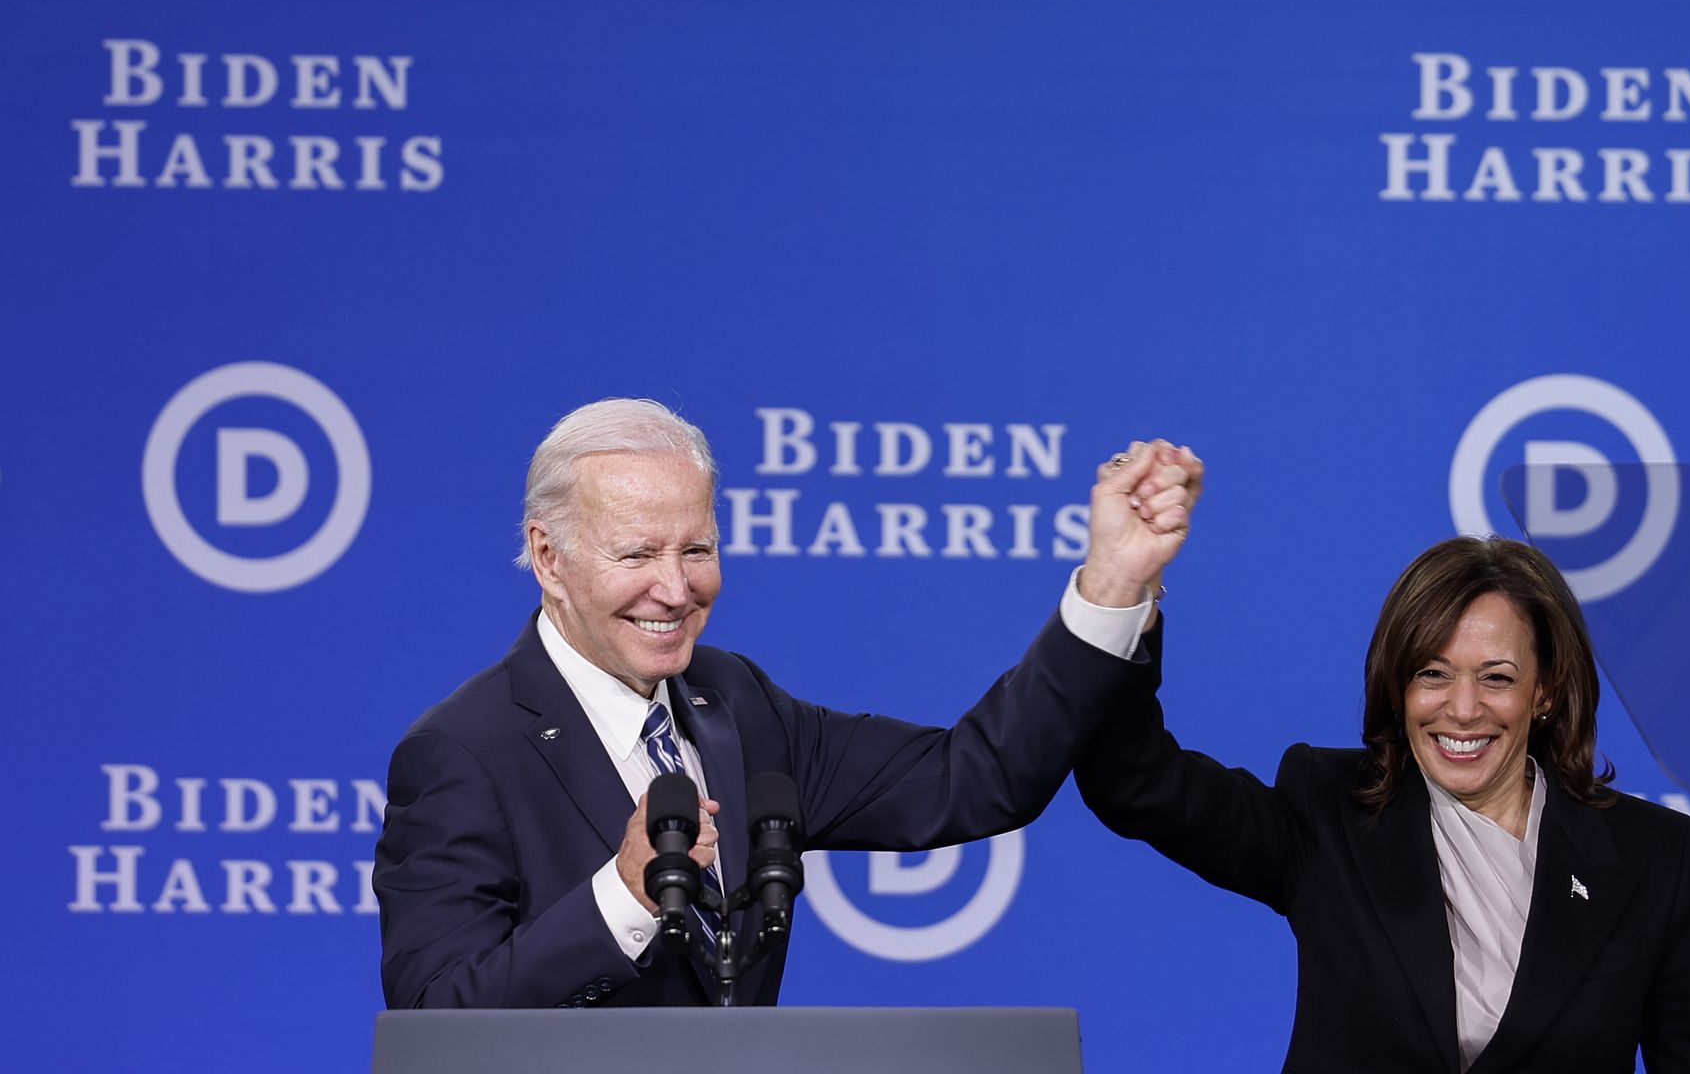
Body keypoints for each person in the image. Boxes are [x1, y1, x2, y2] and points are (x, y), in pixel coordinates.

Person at [374, 398, 1202, 1008]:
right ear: (548, 558)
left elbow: (973, 777)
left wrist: (1114, 584)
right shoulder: (465, 752)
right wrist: (621, 897)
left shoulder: (734, 701)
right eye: (637, 553)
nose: (676, 587)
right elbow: (433, 1019)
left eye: (697, 548)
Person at [1073, 536, 1690, 1073]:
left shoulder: (1654, 858)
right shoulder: (1328, 810)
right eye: (1433, 673)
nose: (1462, 709)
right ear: (1397, 683)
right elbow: (1133, 781)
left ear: (1544, 692)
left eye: (1497, 678)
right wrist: (1123, 591)